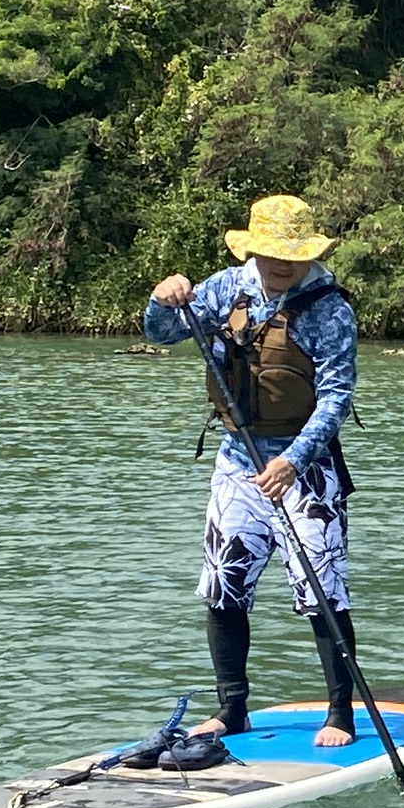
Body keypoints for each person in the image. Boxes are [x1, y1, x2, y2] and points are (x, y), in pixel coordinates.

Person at [144, 195, 363, 745]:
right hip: (238, 461)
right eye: (272, 254)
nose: (282, 264)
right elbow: (160, 333)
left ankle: (341, 713)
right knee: (224, 586)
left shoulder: (330, 309)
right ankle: (232, 708)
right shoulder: (225, 289)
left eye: (293, 254)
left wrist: (293, 461)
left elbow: (336, 397)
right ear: (255, 251)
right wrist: (161, 299)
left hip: (306, 468)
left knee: (322, 591)